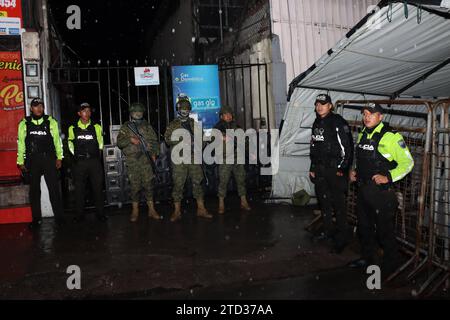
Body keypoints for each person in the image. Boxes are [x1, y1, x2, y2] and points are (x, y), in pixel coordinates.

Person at [348, 103, 414, 277]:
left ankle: (391, 266)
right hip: (363, 191)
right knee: (364, 228)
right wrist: (355, 171)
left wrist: (389, 177)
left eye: (371, 114)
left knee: (385, 232)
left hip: (381, 194)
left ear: (381, 117)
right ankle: (369, 260)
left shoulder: (391, 137)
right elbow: (363, 159)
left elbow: (408, 163)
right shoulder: (363, 133)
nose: (366, 117)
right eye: (364, 114)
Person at [309, 94, 353, 253]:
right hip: (320, 170)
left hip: (335, 171)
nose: (319, 107)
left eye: (323, 104)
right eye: (317, 104)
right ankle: (328, 232)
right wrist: (313, 166)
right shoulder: (316, 122)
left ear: (330, 106)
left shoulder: (338, 122)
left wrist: (342, 169)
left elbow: (347, 148)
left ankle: (342, 238)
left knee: (339, 206)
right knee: (324, 203)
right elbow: (313, 146)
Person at [16, 98, 65, 228]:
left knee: (54, 189)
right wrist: (20, 161)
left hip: (49, 159)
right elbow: (20, 143)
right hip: (32, 160)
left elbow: (57, 141)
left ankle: (59, 218)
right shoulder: (24, 123)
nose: (39, 109)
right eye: (36, 106)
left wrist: (59, 157)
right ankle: (36, 219)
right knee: (34, 191)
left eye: (41, 106)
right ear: (31, 108)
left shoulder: (51, 121)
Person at [164, 97, 212, 222]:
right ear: (178, 110)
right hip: (179, 158)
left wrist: (197, 144)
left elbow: (202, 140)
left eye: (187, 108)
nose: (184, 111)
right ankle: (177, 211)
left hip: (193, 157)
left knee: (197, 182)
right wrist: (181, 138)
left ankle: (201, 209)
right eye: (182, 109)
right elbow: (167, 139)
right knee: (178, 184)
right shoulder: (173, 124)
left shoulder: (194, 124)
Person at [117, 102, 161, 222]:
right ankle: (135, 210)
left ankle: (151, 209)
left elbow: (154, 141)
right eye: (135, 112)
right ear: (131, 113)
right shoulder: (126, 127)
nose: (138, 114)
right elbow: (119, 143)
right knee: (135, 187)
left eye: (140, 112)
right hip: (133, 161)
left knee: (149, 185)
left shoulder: (147, 126)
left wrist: (154, 154)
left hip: (146, 160)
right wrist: (130, 139)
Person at [68, 102, 107, 222]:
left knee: (97, 188)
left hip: (94, 162)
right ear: (79, 113)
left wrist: (98, 154)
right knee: (79, 189)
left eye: (89, 111)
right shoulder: (72, 127)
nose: (87, 113)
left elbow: (101, 142)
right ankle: (79, 215)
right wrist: (76, 155)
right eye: (84, 111)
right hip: (80, 163)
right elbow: (70, 143)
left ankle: (100, 214)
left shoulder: (96, 126)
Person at [213, 105, 251, 214]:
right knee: (223, 181)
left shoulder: (236, 126)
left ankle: (244, 202)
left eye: (230, 114)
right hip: (226, 158)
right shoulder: (218, 127)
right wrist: (222, 137)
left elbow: (245, 140)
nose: (228, 116)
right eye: (226, 114)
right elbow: (212, 138)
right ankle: (221, 204)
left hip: (237, 156)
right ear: (221, 116)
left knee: (241, 179)